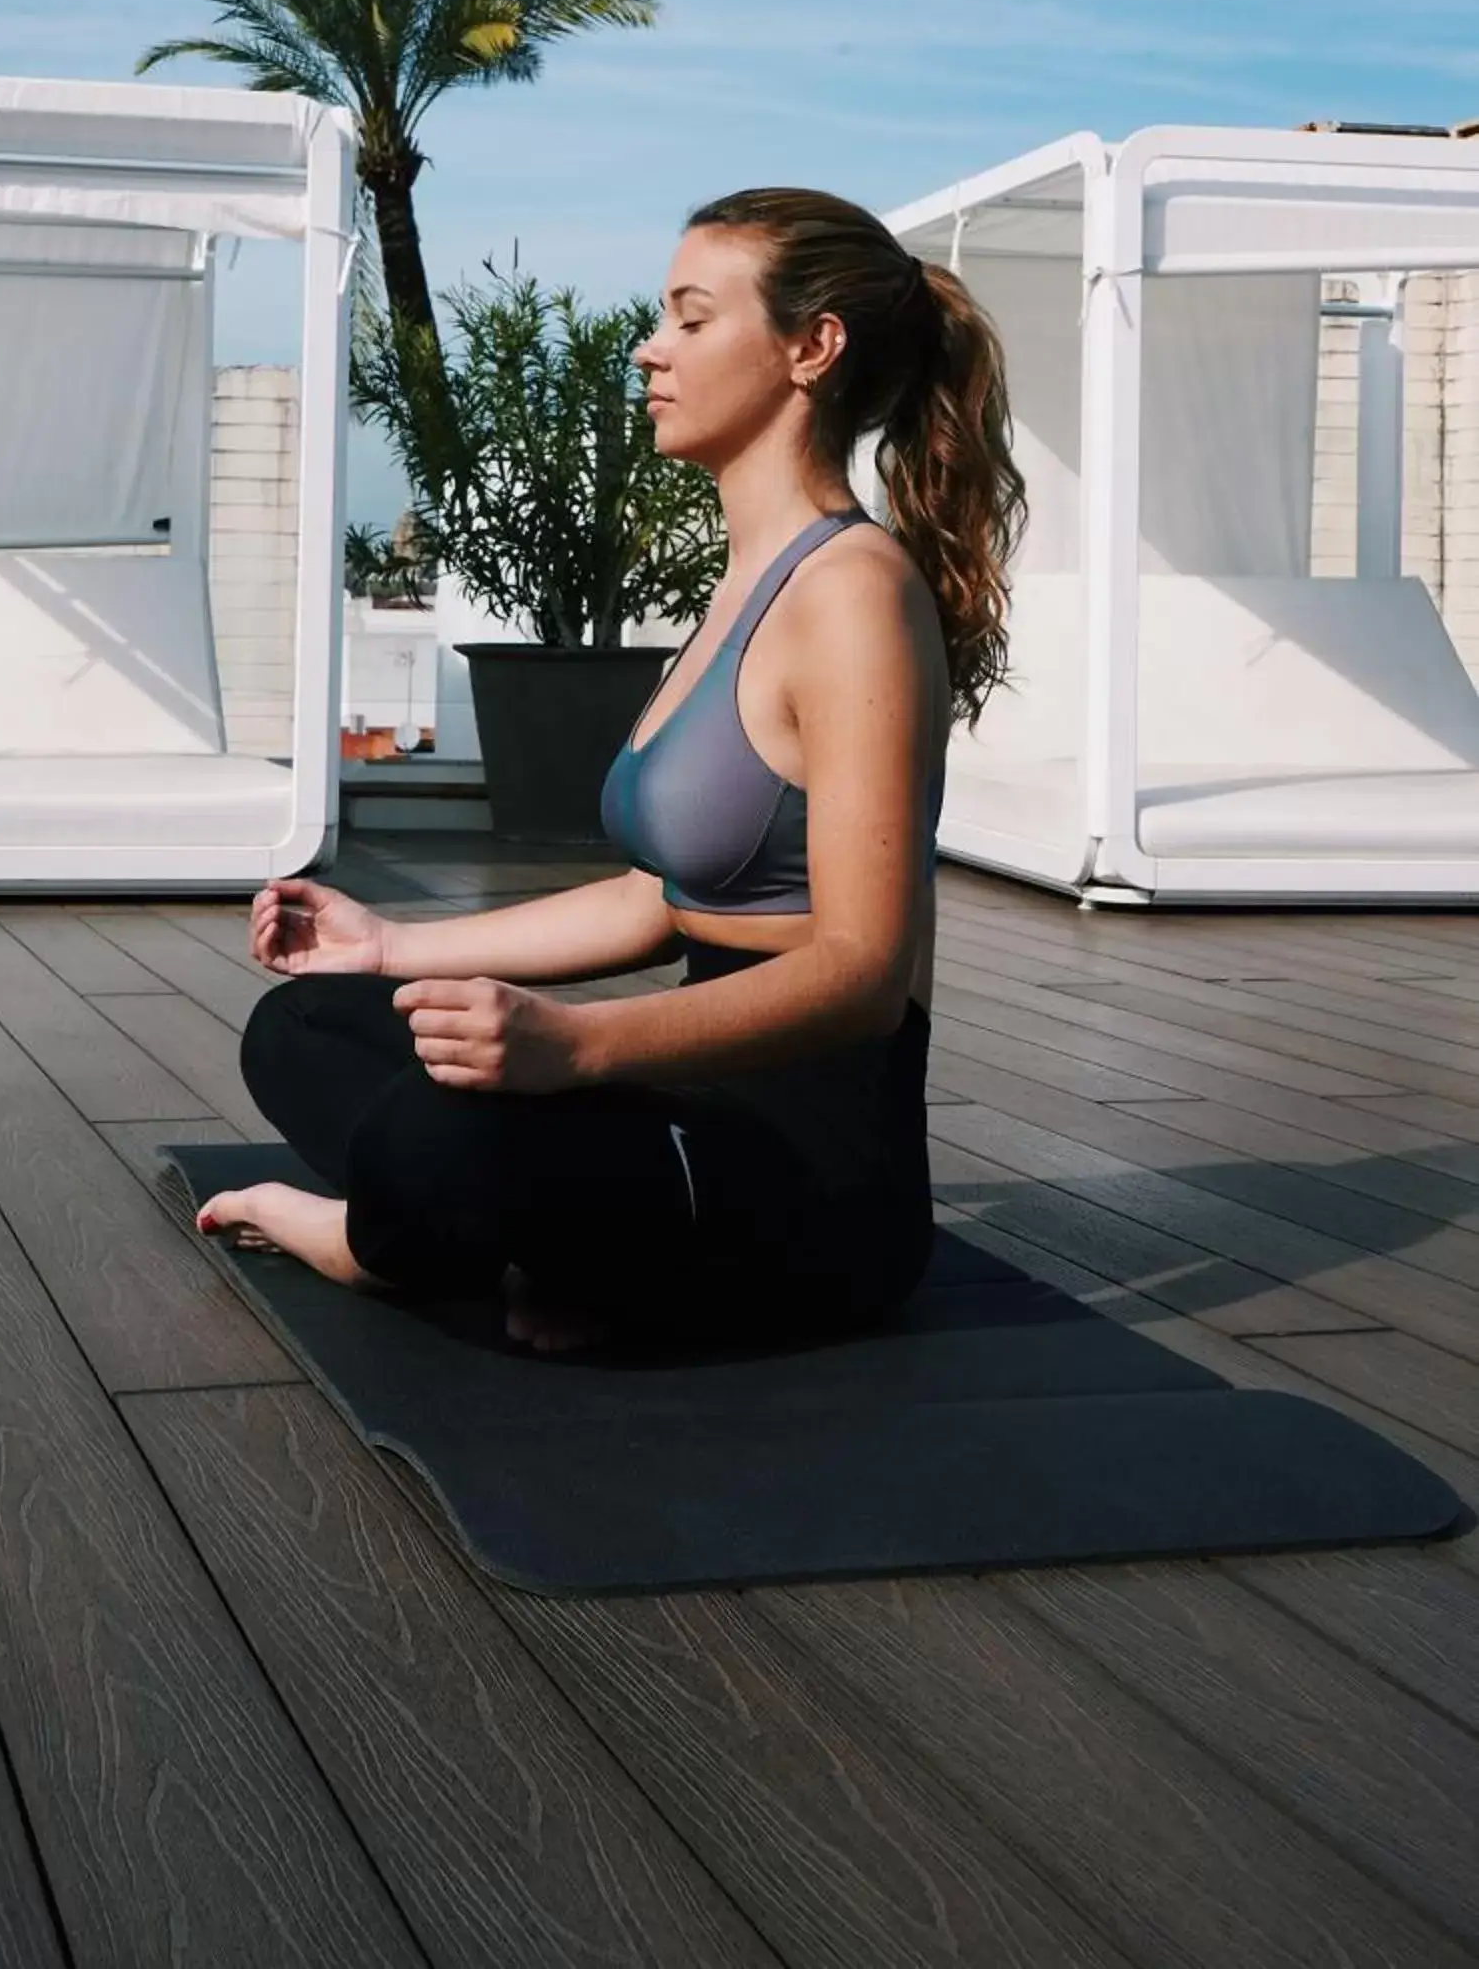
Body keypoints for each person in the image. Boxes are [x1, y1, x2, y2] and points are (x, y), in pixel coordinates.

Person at [200, 186, 1023, 1352]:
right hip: (681, 1107)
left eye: (692, 320)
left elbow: (862, 972)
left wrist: (575, 1048)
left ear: (811, 347)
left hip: (814, 1179)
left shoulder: (853, 593)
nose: (652, 349)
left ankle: (375, 1239)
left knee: (440, 1138)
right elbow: (659, 901)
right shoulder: (750, 581)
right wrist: (387, 947)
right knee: (309, 1026)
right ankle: (539, 1253)